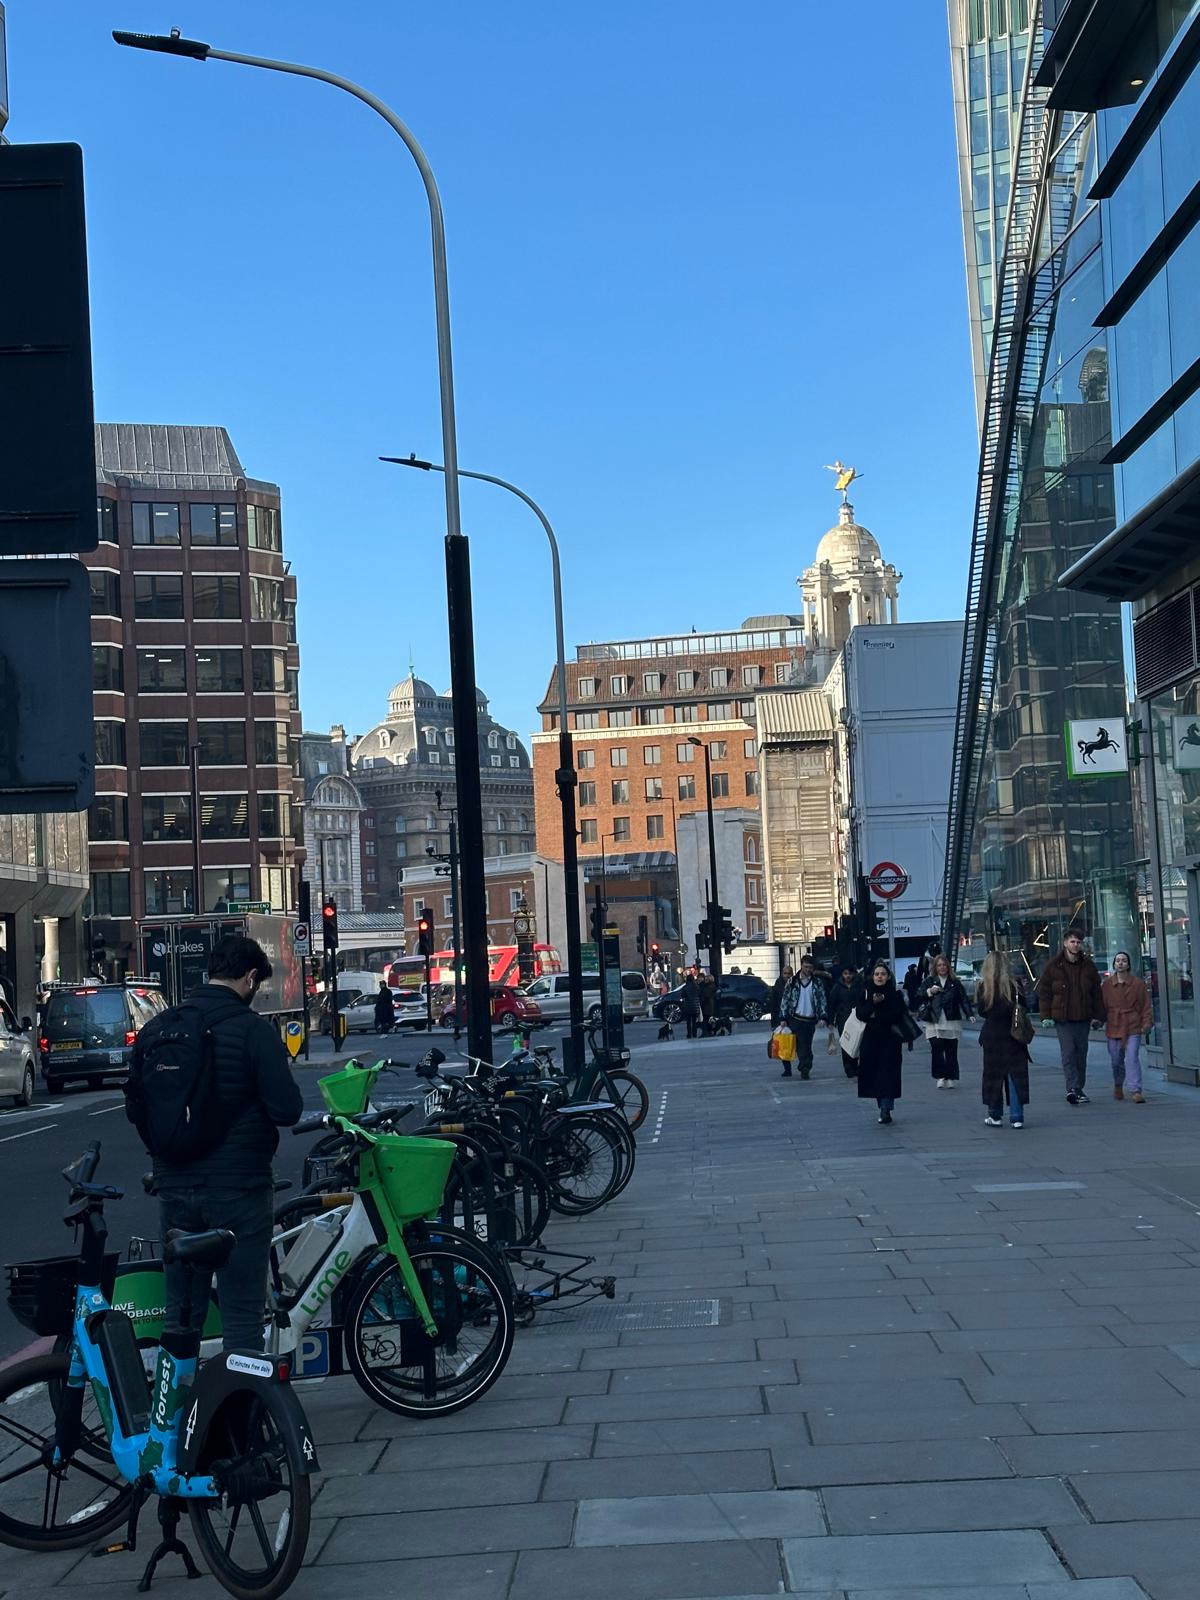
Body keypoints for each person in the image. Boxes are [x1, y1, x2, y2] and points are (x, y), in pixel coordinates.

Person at [136, 935, 303, 1351]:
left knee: (181, 1314)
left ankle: (175, 1411)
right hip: (239, 1189)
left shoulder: (159, 1027)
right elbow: (287, 1110)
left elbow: (137, 1105)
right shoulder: (253, 1031)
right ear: (249, 978)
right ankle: (242, 1409)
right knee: (242, 1314)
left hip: (174, 1186)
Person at [1036, 926, 1105, 1105]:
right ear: (1065, 943)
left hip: (1083, 1016)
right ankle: (1072, 1088)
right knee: (1068, 1053)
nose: (1075, 945)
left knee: (1081, 1054)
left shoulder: (1088, 966)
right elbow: (1045, 993)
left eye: (1078, 942)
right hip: (1063, 1018)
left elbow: (1096, 993)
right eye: (1072, 941)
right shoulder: (1053, 966)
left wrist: (1099, 1016)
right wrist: (1046, 1016)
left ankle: (1079, 1087)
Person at [977, 950, 1030, 1129]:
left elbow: (981, 1011)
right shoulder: (1014, 986)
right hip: (1013, 1035)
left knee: (993, 1076)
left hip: (992, 1036)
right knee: (1015, 1076)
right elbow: (1024, 1007)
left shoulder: (984, 987)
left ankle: (995, 1115)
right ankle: (1016, 1116)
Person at [854, 961, 905, 1123]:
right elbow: (860, 1014)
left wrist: (878, 1015)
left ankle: (886, 1108)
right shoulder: (866, 993)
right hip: (871, 1040)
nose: (880, 977)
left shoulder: (895, 994)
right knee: (875, 1074)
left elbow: (898, 1014)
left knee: (889, 1073)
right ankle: (882, 1105)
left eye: (883, 974)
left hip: (891, 1040)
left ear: (888, 976)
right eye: (877, 974)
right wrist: (872, 1004)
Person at [1102, 951, 1152, 1103]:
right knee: (1116, 1060)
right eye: (1118, 960)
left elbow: (1145, 1006)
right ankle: (1118, 1084)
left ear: (1128, 964)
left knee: (1131, 1058)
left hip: (1132, 1025)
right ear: (1114, 964)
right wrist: (1098, 1020)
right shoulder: (1107, 985)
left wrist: (1147, 1023)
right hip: (1114, 1025)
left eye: (1124, 960)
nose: (1121, 963)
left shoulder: (1138, 984)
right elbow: (1102, 1006)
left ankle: (1136, 1089)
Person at [918, 954, 970, 1088]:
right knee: (937, 1049)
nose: (942, 967)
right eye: (939, 965)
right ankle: (940, 1076)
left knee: (951, 1050)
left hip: (951, 1020)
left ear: (948, 966)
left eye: (944, 965)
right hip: (934, 1020)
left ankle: (951, 1077)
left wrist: (969, 1014)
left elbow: (963, 999)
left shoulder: (955, 982)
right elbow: (919, 994)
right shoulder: (929, 981)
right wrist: (930, 991)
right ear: (935, 967)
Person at [779, 956, 828, 1080]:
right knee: (801, 1044)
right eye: (806, 966)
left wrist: (823, 1016)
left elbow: (822, 1000)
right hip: (796, 1018)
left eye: (810, 967)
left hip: (810, 1019)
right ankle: (804, 1066)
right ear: (801, 965)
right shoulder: (793, 981)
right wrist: (783, 1017)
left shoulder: (817, 983)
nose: (808, 969)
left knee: (808, 1044)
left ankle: (806, 1064)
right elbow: (785, 999)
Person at [830, 965, 860, 1079]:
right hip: (843, 1018)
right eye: (845, 973)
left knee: (856, 1043)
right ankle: (848, 1066)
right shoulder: (837, 987)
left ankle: (855, 1064)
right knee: (846, 1042)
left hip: (857, 1018)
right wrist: (831, 1020)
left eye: (850, 973)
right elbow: (832, 1004)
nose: (848, 976)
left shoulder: (858, 986)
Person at [680, 970, 702, 1039]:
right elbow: (699, 994)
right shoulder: (696, 986)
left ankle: (689, 1034)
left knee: (688, 1022)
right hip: (695, 1006)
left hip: (688, 1006)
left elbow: (682, 995)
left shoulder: (685, 987)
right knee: (694, 1021)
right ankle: (694, 1033)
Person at [698, 968, 717, 1032]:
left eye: (706, 979)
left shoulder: (709, 987)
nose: (705, 980)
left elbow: (706, 995)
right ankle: (708, 1031)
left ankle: (707, 1031)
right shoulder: (710, 986)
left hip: (708, 1005)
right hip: (708, 1004)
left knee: (706, 1019)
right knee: (707, 1019)